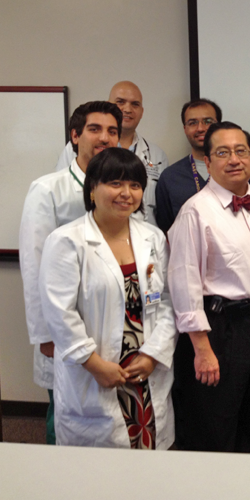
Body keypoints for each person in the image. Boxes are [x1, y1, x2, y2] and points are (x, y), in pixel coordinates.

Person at [38, 148, 177, 449]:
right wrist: (94, 364)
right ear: (92, 190)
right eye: (115, 183)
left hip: (144, 368)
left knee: (149, 456)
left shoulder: (152, 237)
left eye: (135, 185)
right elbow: (59, 313)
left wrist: (154, 354)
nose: (126, 193)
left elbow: (167, 301)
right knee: (97, 474)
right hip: (95, 370)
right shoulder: (66, 241)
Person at [168, 121, 250, 452]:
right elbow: (184, 282)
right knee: (218, 418)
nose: (234, 159)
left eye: (240, 151)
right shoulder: (195, 212)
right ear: (208, 162)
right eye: (223, 152)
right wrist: (202, 349)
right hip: (225, 327)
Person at [19, 100, 123, 444]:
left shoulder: (122, 189)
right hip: (63, 325)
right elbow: (33, 266)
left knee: (111, 416)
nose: (104, 138)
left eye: (112, 131)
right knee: (65, 413)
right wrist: (46, 334)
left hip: (109, 320)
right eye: (95, 129)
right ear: (75, 135)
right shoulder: (48, 189)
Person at [54, 81, 168, 225]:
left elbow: (161, 208)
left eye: (135, 104)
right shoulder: (76, 148)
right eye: (120, 102)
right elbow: (64, 188)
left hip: (142, 237)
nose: (127, 109)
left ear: (141, 112)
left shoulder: (157, 155)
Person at [155, 98, 250, 232]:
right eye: (192, 123)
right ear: (185, 129)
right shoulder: (170, 177)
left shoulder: (239, 168)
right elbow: (166, 228)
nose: (200, 128)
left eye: (208, 121)